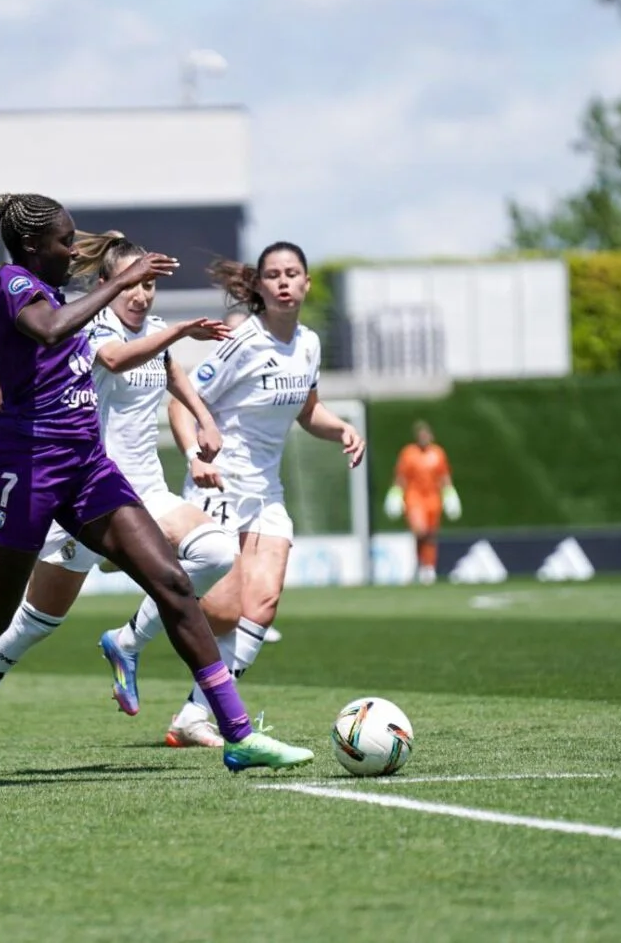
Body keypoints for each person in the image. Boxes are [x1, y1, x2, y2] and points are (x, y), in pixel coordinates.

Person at [0, 192, 312, 774]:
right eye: (64, 241)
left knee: (172, 581)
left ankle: (237, 733)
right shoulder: (14, 286)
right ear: (29, 247)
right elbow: (25, 330)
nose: (72, 250)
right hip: (24, 468)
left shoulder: (52, 292)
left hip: (86, 465)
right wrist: (1, 374)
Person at [0, 231, 240, 776]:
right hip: (79, 490)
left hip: (139, 492)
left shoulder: (158, 331)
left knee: (215, 552)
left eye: (151, 285)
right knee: (28, 626)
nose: (142, 295)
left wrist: (203, 421)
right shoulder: (87, 325)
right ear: (106, 284)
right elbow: (115, 359)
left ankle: (127, 641)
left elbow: (171, 373)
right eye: (134, 283)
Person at [144, 242, 365, 738]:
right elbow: (182, 400)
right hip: (219, 482)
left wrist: (342, 429)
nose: (284, 282)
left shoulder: (308, 343)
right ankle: (147, 593)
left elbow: (308, 410)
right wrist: (195, 456)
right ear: (261, 287)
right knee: (222, 610)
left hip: (266, 491)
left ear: (307, 283)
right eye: (274, 275)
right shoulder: (243, 341)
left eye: (293, 273)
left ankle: (196, 715)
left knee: (261, 605)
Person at [384, 420, 461, 584]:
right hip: (415, 497)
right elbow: (401, 476)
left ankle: (428, 567)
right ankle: (420, 564)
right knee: (420, 530)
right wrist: (395, 494)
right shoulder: (409, 453)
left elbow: (444, 476)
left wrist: (450, 494)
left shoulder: (438, 453)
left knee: (431, 535)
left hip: (433, 498)